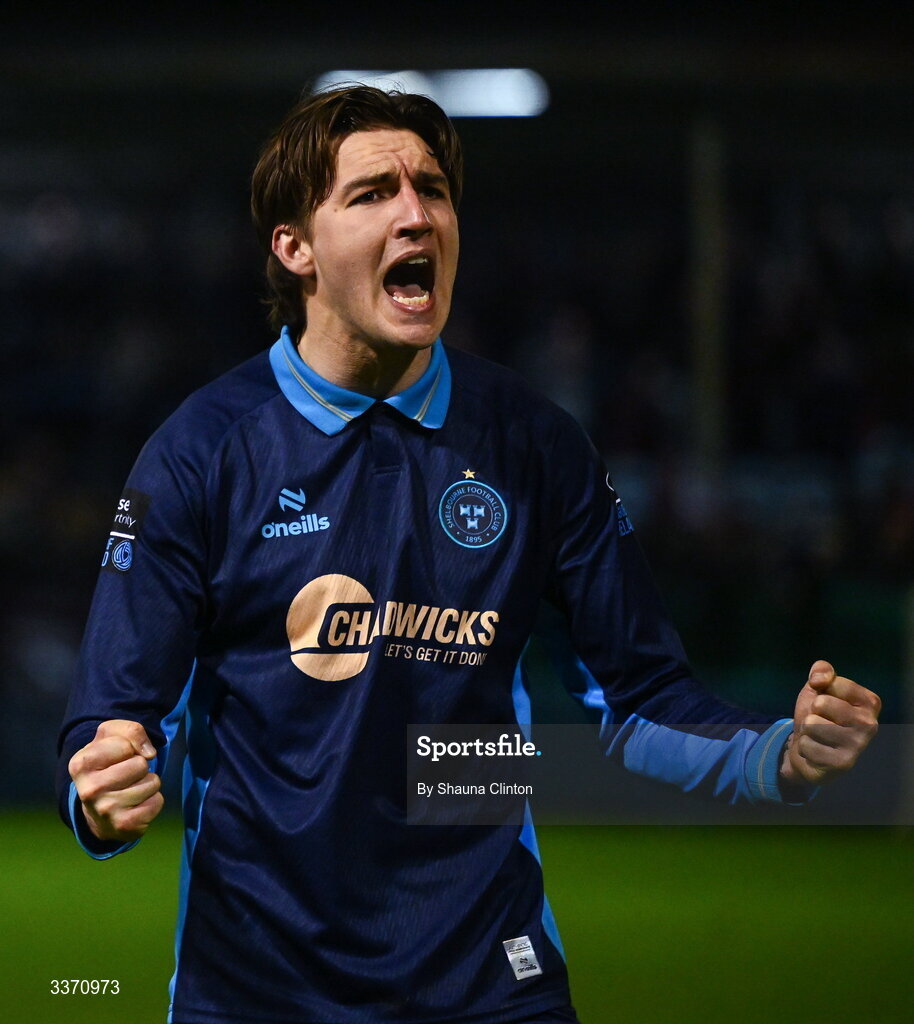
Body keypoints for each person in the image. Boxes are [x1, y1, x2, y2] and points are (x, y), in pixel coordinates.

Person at [57, 85, 881, 1024]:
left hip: (490, 986)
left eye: (433, 189)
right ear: (295, 249)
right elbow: (114, 723)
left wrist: (781, 755)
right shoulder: (199, 454)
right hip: (255, 992)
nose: (417, 213)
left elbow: (642, 698)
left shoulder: (535, 445)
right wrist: (103, 789)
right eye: (372, 194)